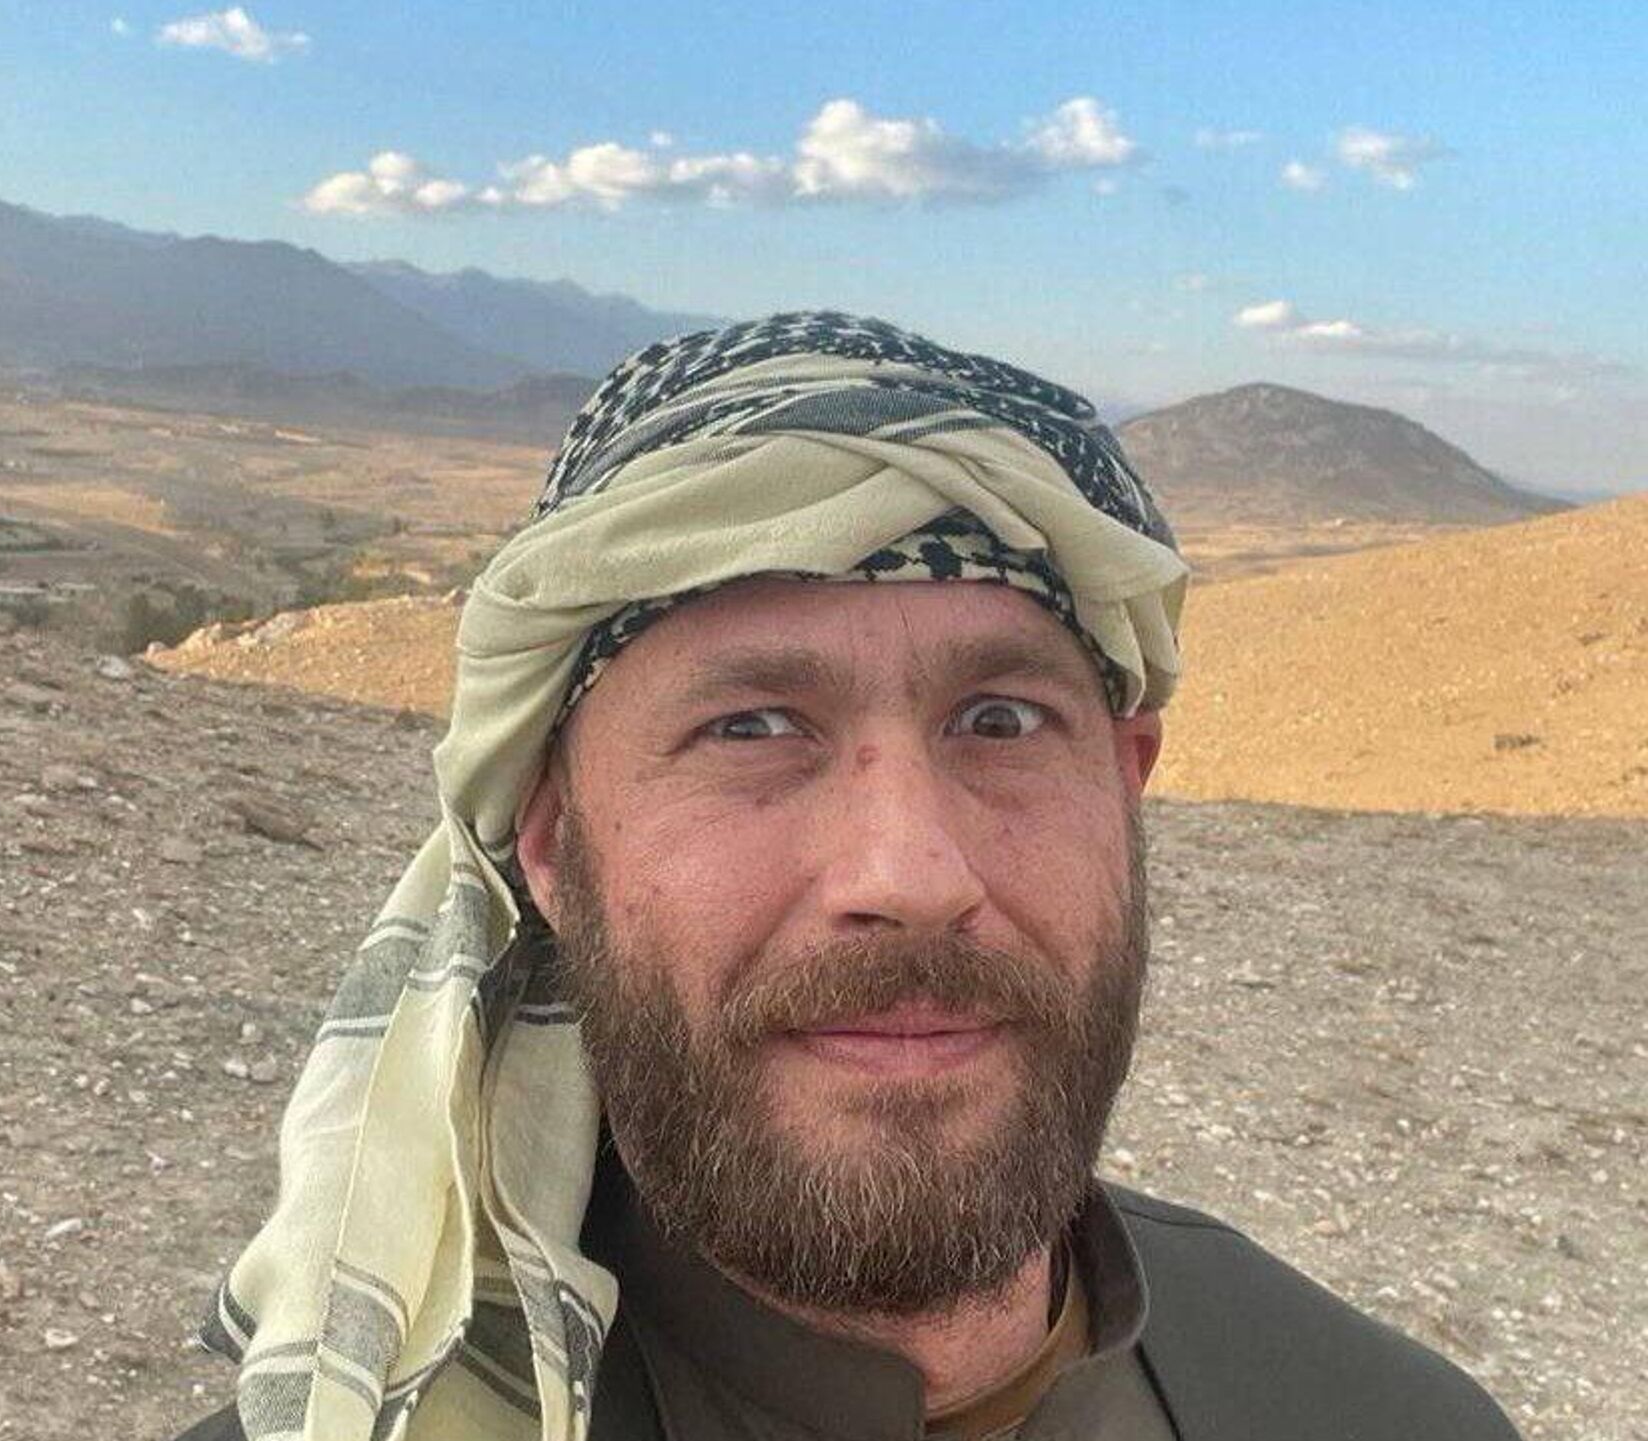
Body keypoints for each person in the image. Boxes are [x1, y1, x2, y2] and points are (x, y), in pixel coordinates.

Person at [177, 313, 1519, 1441]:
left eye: (1000, 721)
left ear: (1125, 784)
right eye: (752, 727)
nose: (910, 873)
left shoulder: (1385, 1414)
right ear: (551, 843)